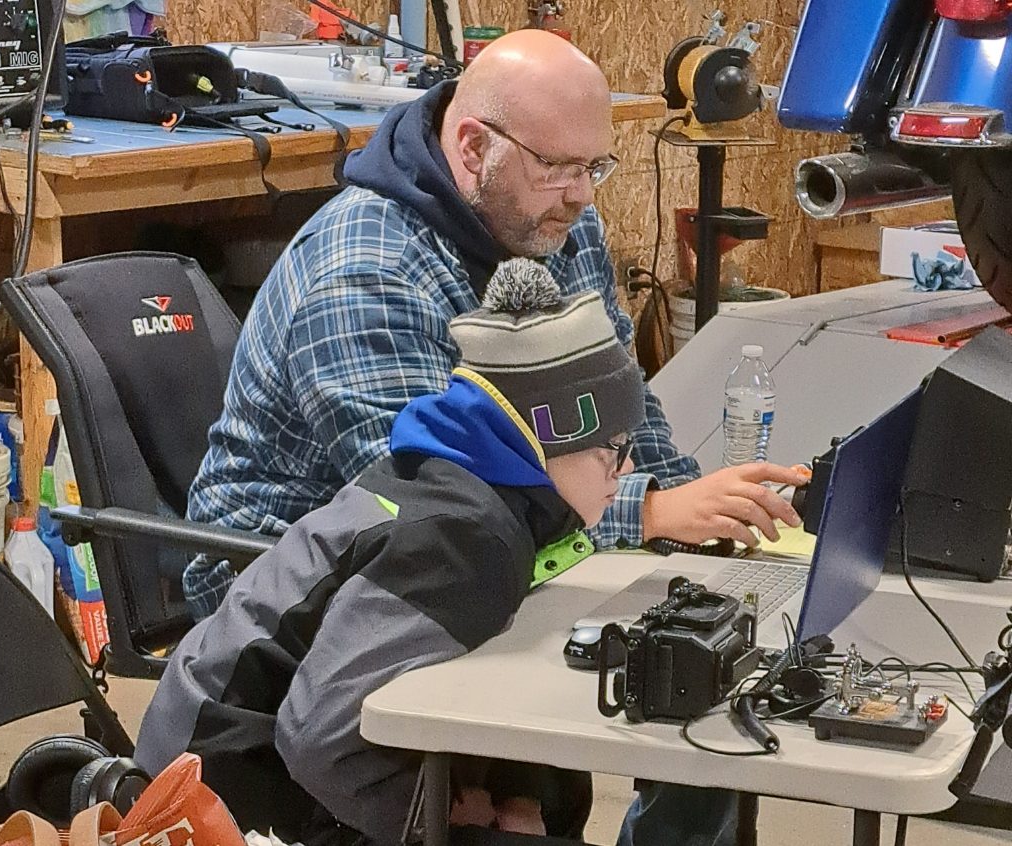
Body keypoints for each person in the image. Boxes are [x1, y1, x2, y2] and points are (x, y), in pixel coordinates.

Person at [182, 27, 806, 846]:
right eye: (559, 167)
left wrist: (697, 512)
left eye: (595, 167)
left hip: (479, 539)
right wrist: (651, 513)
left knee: (707, 659)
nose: (582, 197)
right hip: (306, 581)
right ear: (474, 147)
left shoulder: (550, 221)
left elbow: (619, 405)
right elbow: (420, 501)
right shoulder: (364, 269)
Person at [135, 260, 649, 846]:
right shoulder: (460, 540)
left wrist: (515, 795)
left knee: (550, 789)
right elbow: (318, 739)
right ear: (545, 437)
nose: (627, 465)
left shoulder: (453, 483)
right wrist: (439, 819)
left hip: (227, 739)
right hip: (218, 790)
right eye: (614, 446)